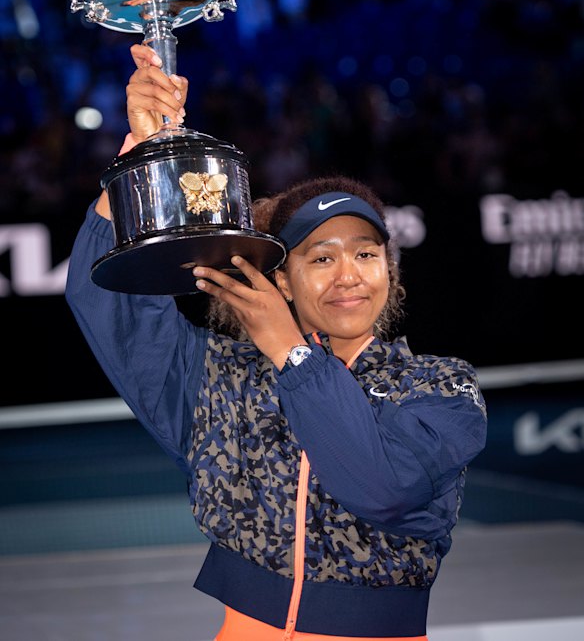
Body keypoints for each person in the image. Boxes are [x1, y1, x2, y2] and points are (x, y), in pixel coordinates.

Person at [65, 43, 487, 641]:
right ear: (282, 279)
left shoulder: (440, 387)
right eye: (322, 257)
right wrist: (142, 158)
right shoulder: (221, 378)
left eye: (367, 254)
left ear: (389, 272)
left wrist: (293, 353)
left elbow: (383, 490)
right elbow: (103, 297)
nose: (349, 274)